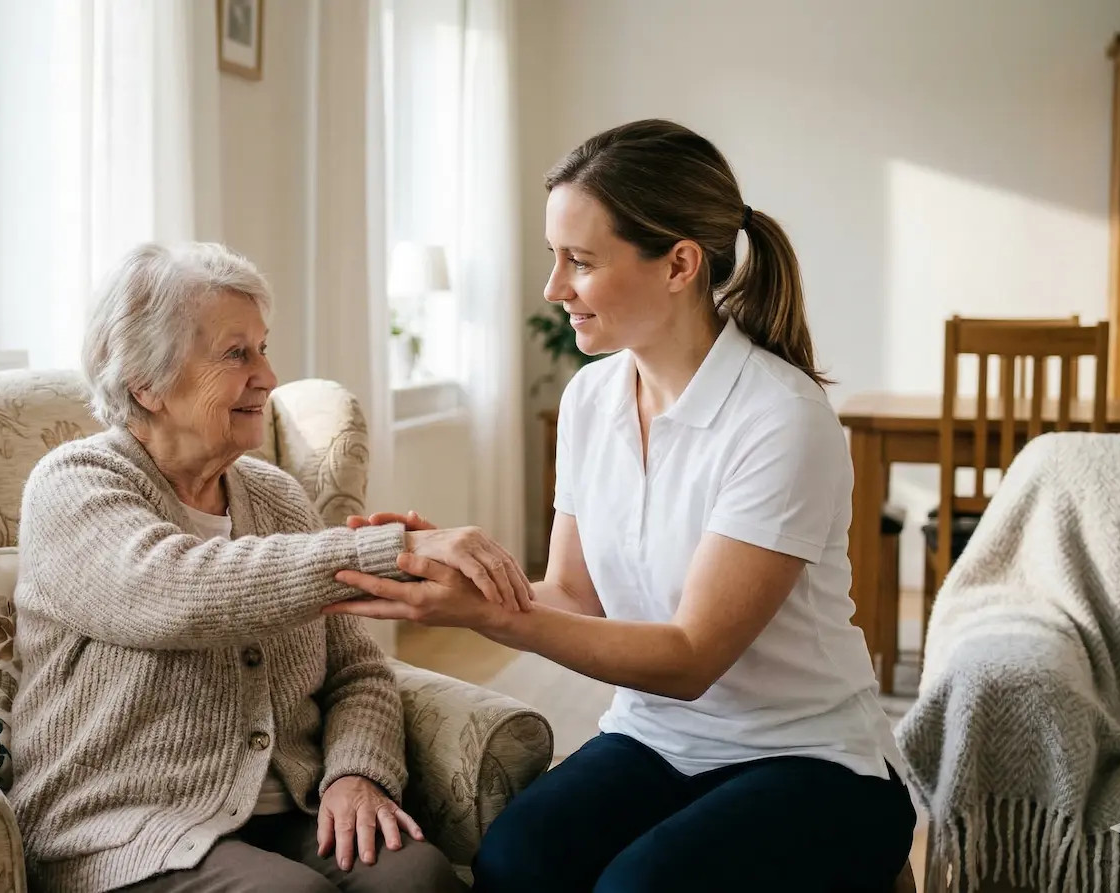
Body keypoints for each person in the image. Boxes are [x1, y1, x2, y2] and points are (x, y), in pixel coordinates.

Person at [331, 120, 916, 892]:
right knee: (513, 860)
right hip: (658, 738)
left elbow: (690, 657)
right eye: (554, 257)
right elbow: (574, 595)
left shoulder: (780, 416)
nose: (553, 287)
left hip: (810, 755)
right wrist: (451, 573)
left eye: (580, 261)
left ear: (679, 264)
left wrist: (490, 617)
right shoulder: (591, 399)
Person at [9, 241, 529, 893]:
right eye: (237, 353)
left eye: (263, 347)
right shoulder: (74, 484)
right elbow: (178, 590)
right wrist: (386, 549)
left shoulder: (276, 495)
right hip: (127, 826)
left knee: (416, 878)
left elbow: (356, 669)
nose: (269, 375)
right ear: (146, 381)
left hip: (291, 808)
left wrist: (356, 772)